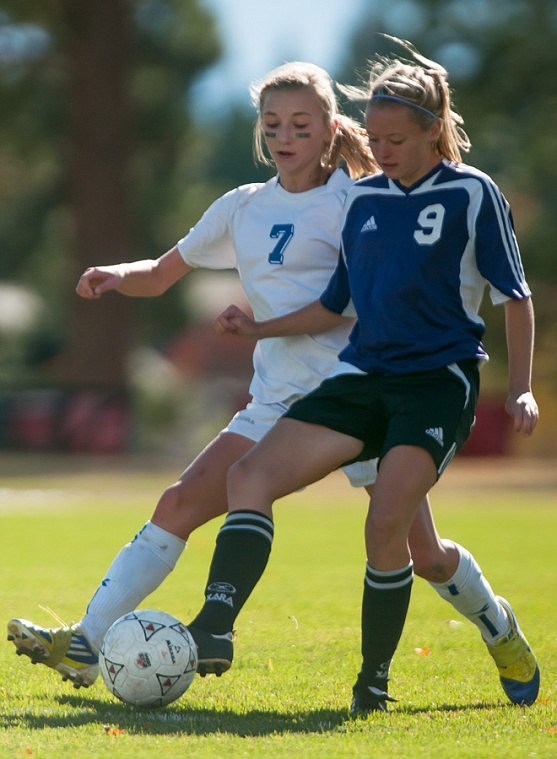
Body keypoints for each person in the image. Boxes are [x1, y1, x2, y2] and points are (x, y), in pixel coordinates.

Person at [7, 58, 537, 711]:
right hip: (277, 402)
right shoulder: (242, 207)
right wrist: (118, 273)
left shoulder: (361, 196)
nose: (284, 136)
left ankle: (498, 625)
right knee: (178, 503)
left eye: (300, 124)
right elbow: (163, 270)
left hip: (361, 391)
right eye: (272, 124)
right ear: (261, 132)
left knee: (422, 554)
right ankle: (88, 642)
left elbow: (376, 296)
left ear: (330, 129)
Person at [182, 38, 540, 717]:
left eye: (397, 138)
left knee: (393, 529)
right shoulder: (363, 199)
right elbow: (332, 304)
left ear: (434, 130)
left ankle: (389, 676)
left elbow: (513, 297)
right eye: (372, 137)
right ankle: (214, 625)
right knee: (248, 478)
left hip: (437, 383)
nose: (382, 150)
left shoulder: (472, 193)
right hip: (362, 375)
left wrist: (519, 385)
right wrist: (256, 329)